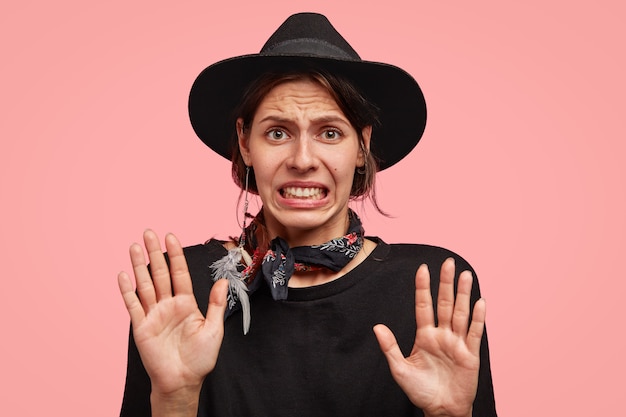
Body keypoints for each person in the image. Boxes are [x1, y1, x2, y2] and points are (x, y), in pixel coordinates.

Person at [118, 12, 497, 417]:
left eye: (329, 133)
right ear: (246, 143)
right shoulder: (179, 288)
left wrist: (450, 415)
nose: (302, 160)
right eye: (277, 132)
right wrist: (174, 399)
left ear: (362, 146)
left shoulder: (434, 287)